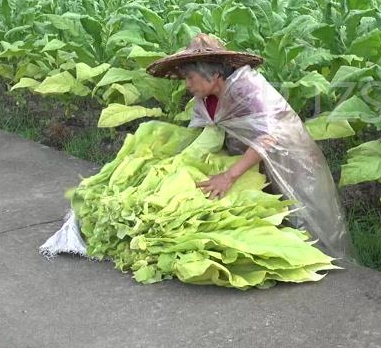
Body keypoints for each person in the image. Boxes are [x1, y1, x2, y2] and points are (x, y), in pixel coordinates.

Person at [145, 34, 354, 259]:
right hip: (250, 158)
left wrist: (229, 176)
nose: (187, 85)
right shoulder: (204, 97)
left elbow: (270, 135)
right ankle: (279, 257)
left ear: (214, 74)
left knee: (303, 212)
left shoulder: (248, 88)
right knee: (268, 214)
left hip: (288, 158)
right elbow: (206, 134)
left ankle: (326, 260)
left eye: (190, 77)